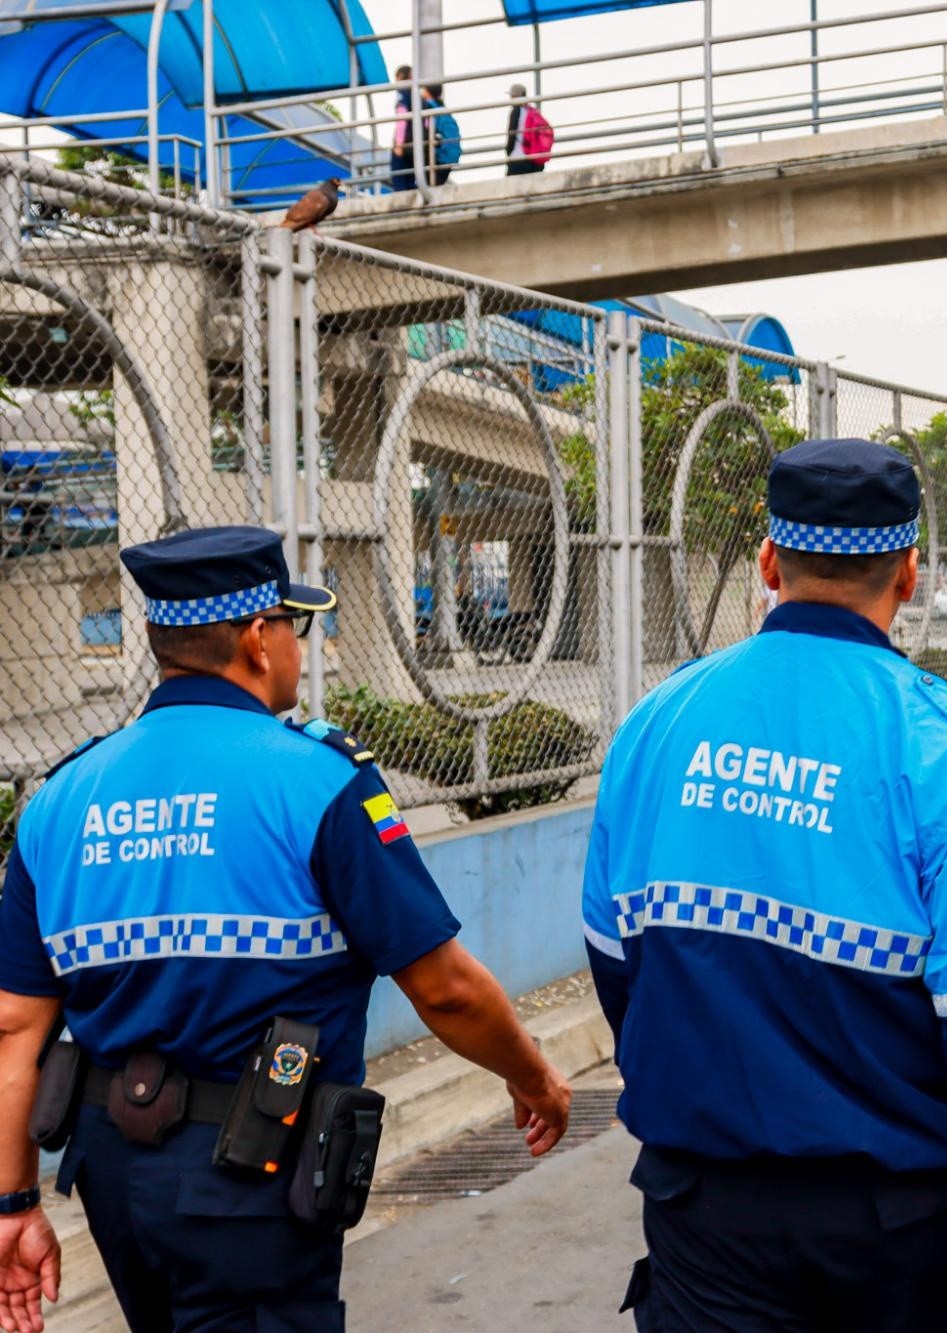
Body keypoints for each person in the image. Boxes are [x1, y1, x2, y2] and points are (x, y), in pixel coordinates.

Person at [583, 440, 947, 1333]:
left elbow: (614, 958)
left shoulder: (657, 725)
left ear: (769, 562)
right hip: (894, 1237)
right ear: (910, 573)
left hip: (703, 1216)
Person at [0, 526, 571, 1332]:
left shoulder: (61, 798)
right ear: (258, 640)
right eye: (295, 627)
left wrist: (13, 1203)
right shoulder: (318, 781)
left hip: (115, 1178)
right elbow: (443, 989)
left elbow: (15, 1027)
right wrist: (533, 1074)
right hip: (253, 1174)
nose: (303, 648)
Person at [505, 83, 552, 175]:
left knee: (510, 188)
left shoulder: (516, 111)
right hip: (533, 161)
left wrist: (508, 151)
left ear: (515, 96)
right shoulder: (531, 111)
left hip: (518, 159)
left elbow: (512, 135)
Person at [420, 85, 460, 187]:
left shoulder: (428, 107)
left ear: (428, 92)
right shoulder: (442, 109)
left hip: (440, 157)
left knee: (429, 185)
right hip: (450, 157)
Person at [388, 65, 415, 192]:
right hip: (414, 143)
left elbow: (402, 119)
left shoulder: (403, 94)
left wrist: (398, 144)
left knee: (399, 178)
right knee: (410, 178)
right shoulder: (416, 96)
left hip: (404, 143)